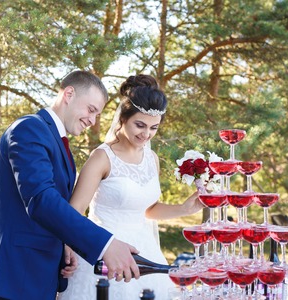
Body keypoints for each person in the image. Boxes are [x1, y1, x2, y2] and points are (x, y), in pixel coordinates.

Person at [0, 70, 141, 300]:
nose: (92, 120)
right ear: (69, 94)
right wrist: (105, 245)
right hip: (15, 275)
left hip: (37, 273)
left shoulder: (55, 139)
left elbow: (53, 208)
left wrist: (64, 246)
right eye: (91, 110)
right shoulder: (29, 129)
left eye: (97, 115)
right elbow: (41, 200)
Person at [57, 75, 204, 300]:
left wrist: (184, 209)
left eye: (154, 128)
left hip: (146, 253)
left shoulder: (151, 158)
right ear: (123, 119)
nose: (146, 134)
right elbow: (74, 212)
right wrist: (67, 249)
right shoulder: (101, 158)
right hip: (104, 254)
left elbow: (148, 209)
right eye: (140, 125)